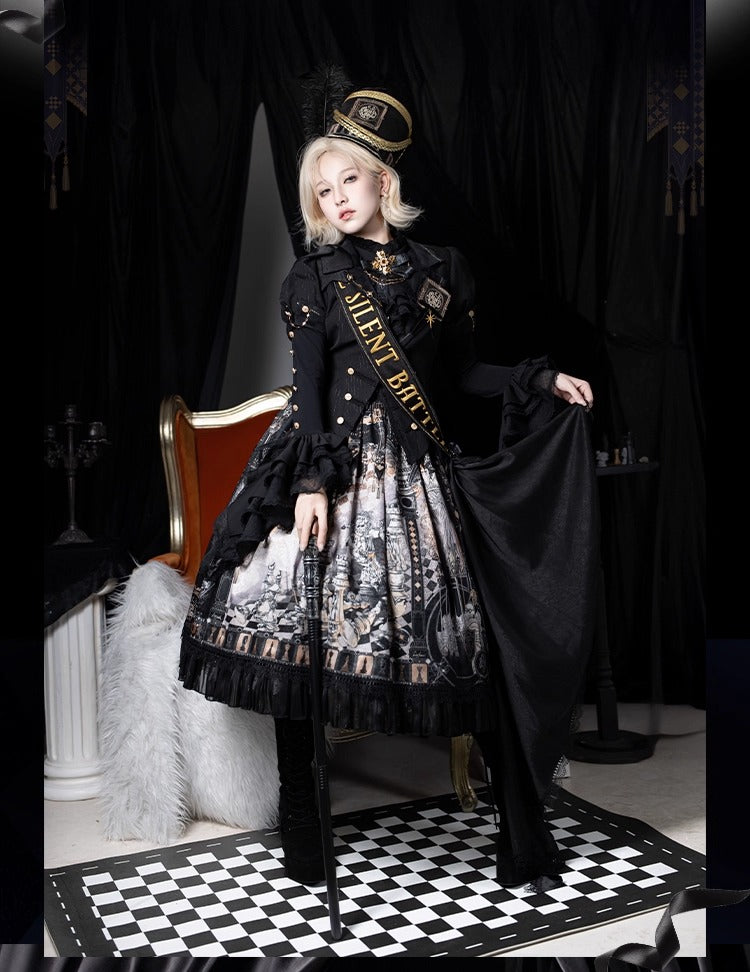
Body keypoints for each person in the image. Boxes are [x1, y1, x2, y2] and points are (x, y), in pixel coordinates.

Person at [178, 82, 597, 895]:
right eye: (321, 189)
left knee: (466, 647)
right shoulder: (312, 278)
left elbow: (463, 376)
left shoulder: (445, 272)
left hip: (415, 481)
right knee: (295, 646)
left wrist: (540, 380)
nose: (335, 198)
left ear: (384, 181)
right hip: (328, 469)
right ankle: (304, 831)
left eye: (348, 180)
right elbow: (308, 391)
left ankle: (518, 828)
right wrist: (309, 484)